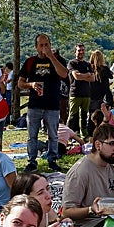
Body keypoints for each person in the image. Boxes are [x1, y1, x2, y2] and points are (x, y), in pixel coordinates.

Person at [61, 124, 114, 227]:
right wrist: (91, 209)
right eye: (112, 144)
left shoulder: (113, 168)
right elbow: (66, 212)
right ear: (98, 145)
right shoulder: (80, 172)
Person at [20, 33, 69, 173]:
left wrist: (51, 57)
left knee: (53, 135)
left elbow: (64, 74)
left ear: (50, 45)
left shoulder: (58, 60)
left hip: (52, 105)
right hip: (35, 105)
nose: (44, 47)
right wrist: (31, 84)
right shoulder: (30, 62)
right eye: (41, 45)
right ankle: (31, 161)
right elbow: (20, 83)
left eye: (46, 44)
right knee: (32, 136)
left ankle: (52, 160)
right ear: (36, 47)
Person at [65, 43, 95, 136]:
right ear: (75, 52)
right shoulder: (72, 63)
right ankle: (68, 135)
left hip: (86, 94)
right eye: (79, 50)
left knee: (84, 116)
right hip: (75, 93)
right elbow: (76, 77)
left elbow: (93, 78)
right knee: (72, 116)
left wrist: (82, 75)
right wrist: (87, 75)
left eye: (82, 50)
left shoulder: (87, 64)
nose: (81, 52)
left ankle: (84, 136)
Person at [88, 49, 112, 124]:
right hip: (102, 96)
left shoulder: (89, 69)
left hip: (91, 95)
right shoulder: (105, 69)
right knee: (102, 117)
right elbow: (110, 78)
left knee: (91, 117)